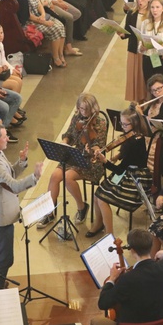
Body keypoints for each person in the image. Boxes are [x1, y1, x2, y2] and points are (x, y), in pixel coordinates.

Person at [0, 123, 40, 291]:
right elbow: (13, 186)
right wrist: (34, 177)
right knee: (4, 258)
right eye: (4, 137)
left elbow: (8, 175)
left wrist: (21, 162)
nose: (7, 138)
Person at [37, 93, 107, 229]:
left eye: (87, 109)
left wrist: (92, 149)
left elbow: (100, 145)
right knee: (54, 176)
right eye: (81, 109)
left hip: (92, 160)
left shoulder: (101, 123)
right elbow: (68, 135)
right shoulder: (77, 118)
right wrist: (64, 142)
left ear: (94, 108)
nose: (84, 113)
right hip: (75, 154)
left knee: (68, 177)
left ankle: (82, 207)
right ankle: (50, 213)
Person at [92, 229, 163, 325]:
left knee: (96, 321)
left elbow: (103, 303)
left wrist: (111, 278)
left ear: (132, 249)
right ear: (151, 246)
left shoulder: (127, 279)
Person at [91, 106, 149, 238]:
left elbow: (119, 169)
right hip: (127, 172)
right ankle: (99, 223)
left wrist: (104, 161)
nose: (122, 127)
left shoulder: (133, 142)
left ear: (134, 124)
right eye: (121, 124)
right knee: (97, 194)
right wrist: (116, 156)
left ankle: (109, 235)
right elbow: (125, 155)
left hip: (135, 178)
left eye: (125, 124)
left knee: (101, 198)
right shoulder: (132, 137)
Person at [14, 0, 66, 67]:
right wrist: (44, 22)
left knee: (61, 25)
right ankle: (55, 58)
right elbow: (27, 15)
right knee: (54, 29)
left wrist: (42, 14)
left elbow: (39, 4)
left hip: (40, 18)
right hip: (30, 22)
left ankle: (61, 54)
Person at [122, 0, 151, 102]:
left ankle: (147, 99)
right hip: (134, 50)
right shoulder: (131, 13)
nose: (140, 1)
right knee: (135, 77)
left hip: (147, 51)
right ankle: (137, 101)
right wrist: (122, 34)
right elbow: (128, 32)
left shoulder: (152, 14)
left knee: (145, 76)